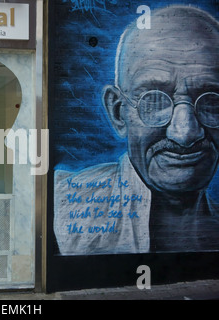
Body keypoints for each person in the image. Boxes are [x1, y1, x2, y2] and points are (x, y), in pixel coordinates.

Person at [54, 6, 219, 255]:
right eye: (153, 101)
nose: (185, 133)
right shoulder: (62, 203)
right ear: (118, 113)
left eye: (211, 101)